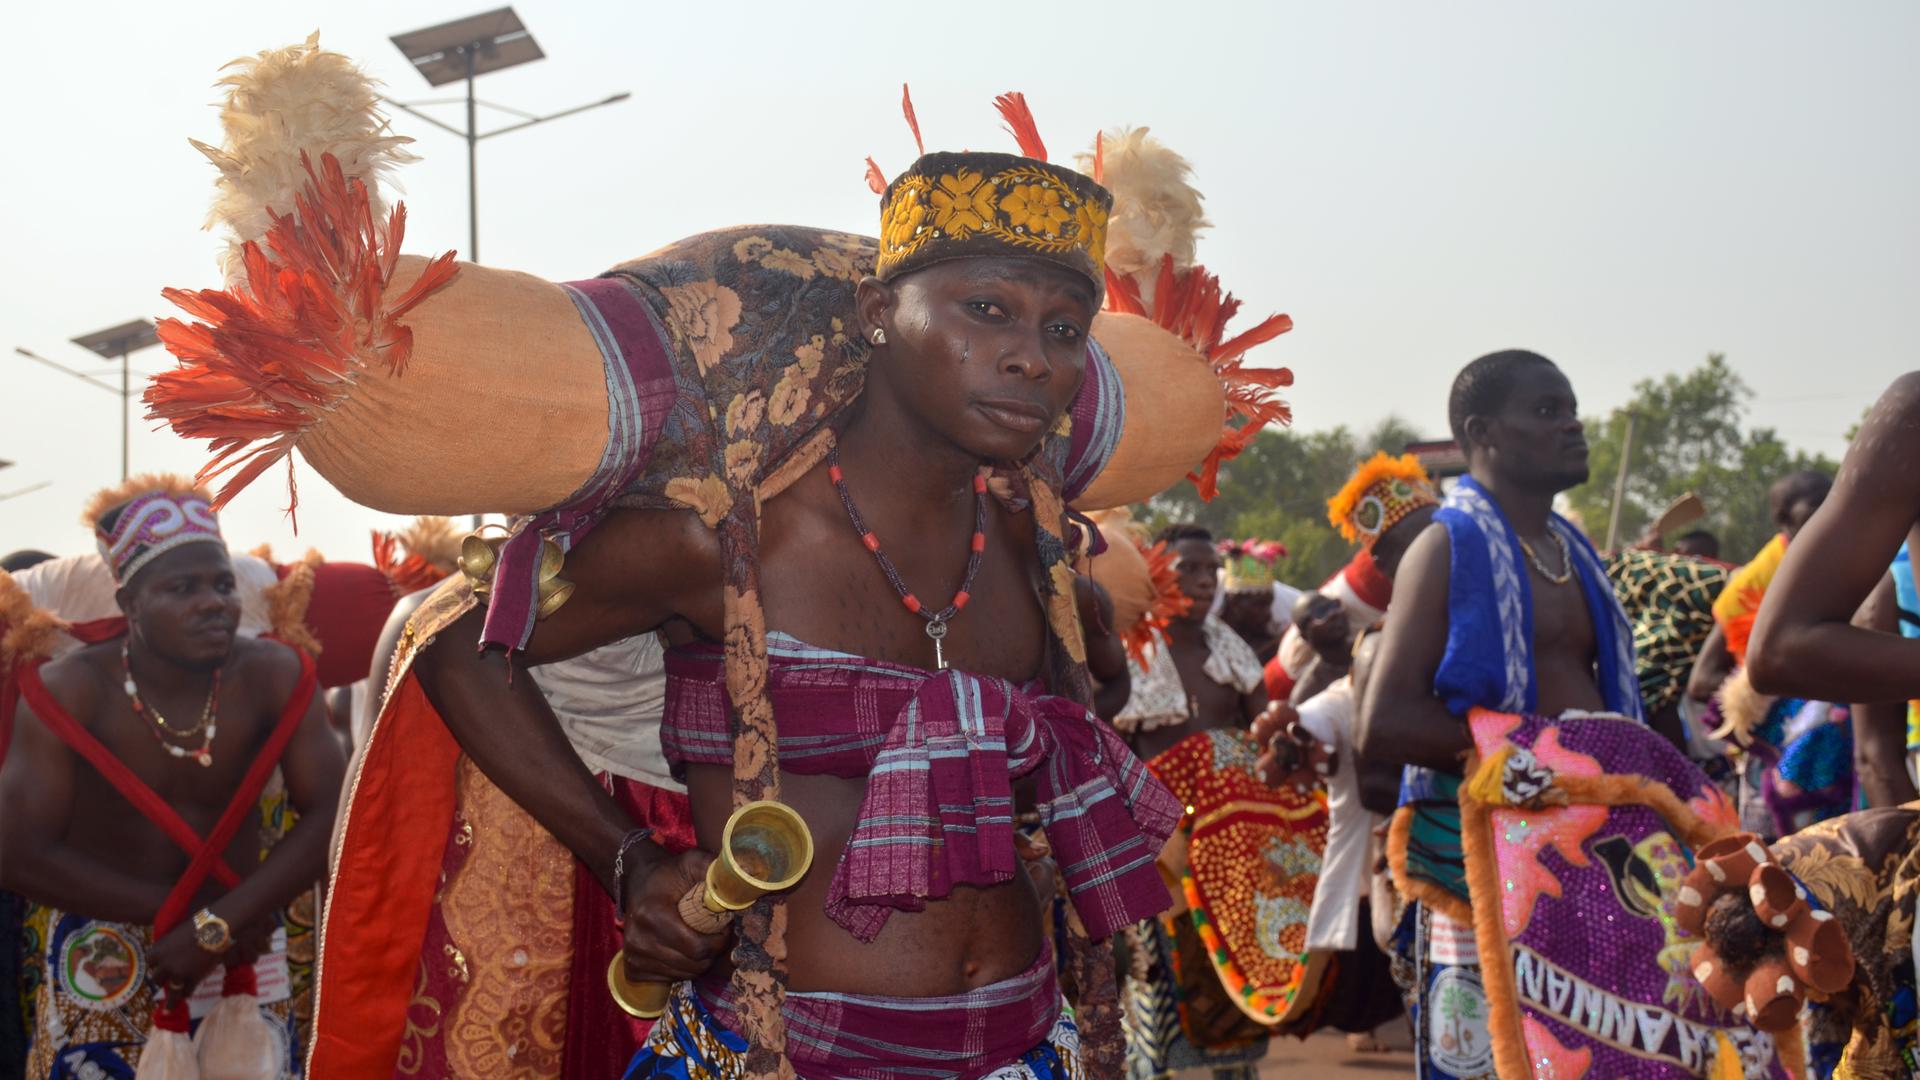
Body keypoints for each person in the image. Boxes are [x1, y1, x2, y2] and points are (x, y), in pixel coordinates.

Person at [1358, 350, 1649, 1080]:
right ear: (1483, 432)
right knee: (1487, 1059)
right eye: (1548, 410)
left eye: (1572, 407)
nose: (1574, 424)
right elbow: (1384, 722)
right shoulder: (1444, 546)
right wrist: (1528, 763)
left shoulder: (1573, 552)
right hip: (1482, 853)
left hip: (1585, 851)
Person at [0, 480, 344, 1076]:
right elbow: (16, 849)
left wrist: (221, 924)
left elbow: (332, 811)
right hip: (108, 939)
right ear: (128, 601)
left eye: (222, 583)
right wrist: (194, 923)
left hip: (245, 934)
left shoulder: (277, 674)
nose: (213, 602)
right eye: (182, 588)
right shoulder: (70, 690)